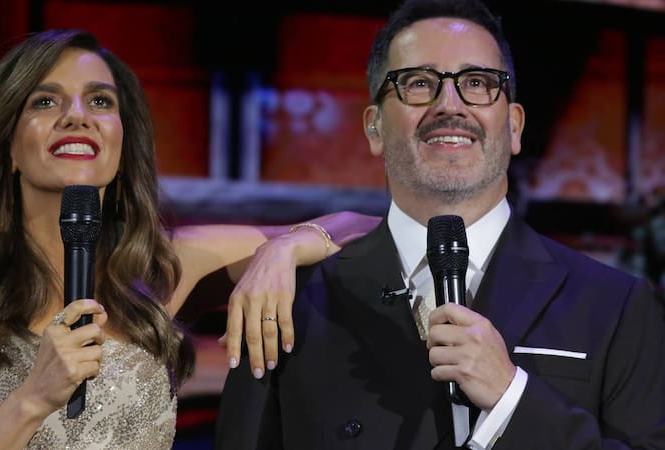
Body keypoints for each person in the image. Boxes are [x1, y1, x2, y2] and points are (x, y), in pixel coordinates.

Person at [0, 29, 379, 450]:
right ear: (9, 146)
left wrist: (284, 248)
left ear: (121, 145)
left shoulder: (163, 267)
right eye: (45, 101)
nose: (77, 115)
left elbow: (370, 229)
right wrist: (33, 400)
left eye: (100, 101)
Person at [214, 0, 665, 449]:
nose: (450, 105)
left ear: (514, 126)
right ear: (374, 128)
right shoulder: (287, 305)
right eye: (418, 83)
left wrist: (511, 400)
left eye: (477, 83)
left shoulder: (615, 306)